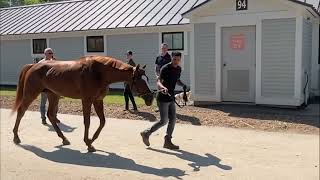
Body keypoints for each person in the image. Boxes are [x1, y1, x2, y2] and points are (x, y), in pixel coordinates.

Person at [140, 52, 187, 150]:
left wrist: (183, 85)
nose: (176, 61)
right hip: (162, 98)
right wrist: (163, 87)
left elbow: (177, 80)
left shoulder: (178, 69)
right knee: (164, 120)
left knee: (173, 119)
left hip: (171, 97)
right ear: (171, 58)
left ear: (180, 60)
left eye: (178, 60)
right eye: (174, 59)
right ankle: (146, 133)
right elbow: (158, 81)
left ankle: (167, 141)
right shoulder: (165, 68)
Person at [38, 48, 60, 125]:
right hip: (44, 87)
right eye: (49, 53)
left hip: (54, 87)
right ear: (45, 54)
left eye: (52, 53)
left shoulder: (55, 62)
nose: (51, 54)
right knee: (43, 103)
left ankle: (54, 116)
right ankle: (43, 118)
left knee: (55, 103)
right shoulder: (41, 63)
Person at [154, 43, 171, 112]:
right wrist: (157, 75)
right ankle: (159, 107)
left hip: (166, 79)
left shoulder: (169, 57)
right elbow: (156, 67)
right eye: (162, 48)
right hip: (159, 78)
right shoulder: (158, 57)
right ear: (161, 48)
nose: (163, 49)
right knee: (159, 93)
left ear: (167, 49)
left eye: (165, 48)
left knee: (166, 93)